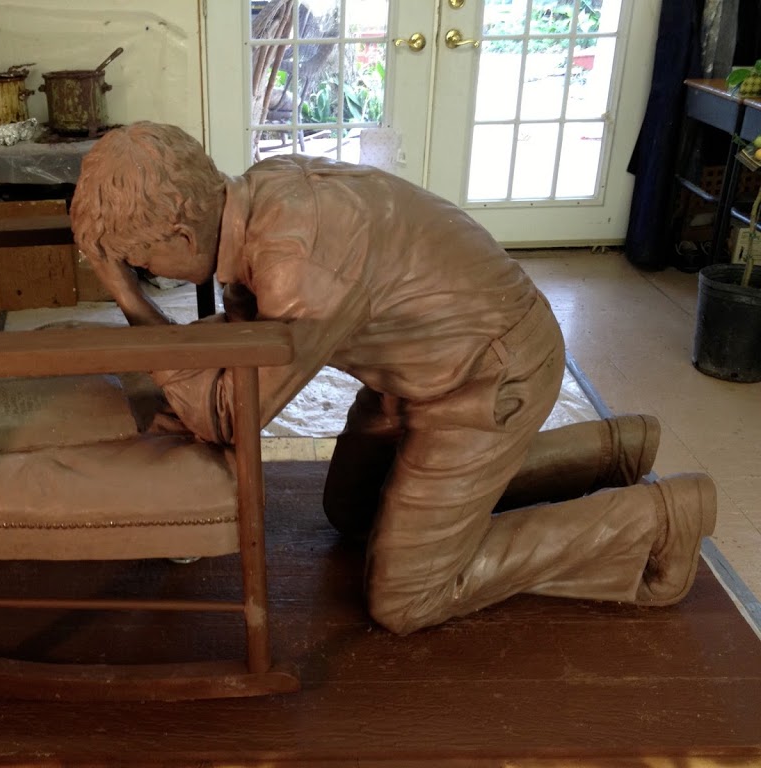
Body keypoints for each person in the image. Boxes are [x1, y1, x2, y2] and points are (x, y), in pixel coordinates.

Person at [70, 121, 717, 634]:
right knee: (352, 512)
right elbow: (246, 343)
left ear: (179, 234)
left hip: (486, 380)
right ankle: (613, 449)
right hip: (417, 374)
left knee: (406, 596)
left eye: (139, 262)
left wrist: (128, 300)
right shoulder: (259, 192)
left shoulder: (297, 261)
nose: (142, 274)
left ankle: (658, 517)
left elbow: (232, 417)